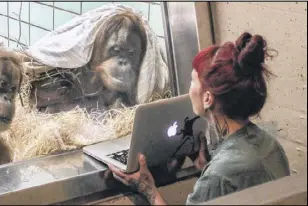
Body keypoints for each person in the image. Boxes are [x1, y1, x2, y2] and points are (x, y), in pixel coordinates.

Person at [107, 32, 291, 205]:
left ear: (208, 98)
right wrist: (206, 166)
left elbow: (225, 177)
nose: (190, 89)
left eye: (192, 81)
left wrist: (148, 189)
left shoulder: (218, 175)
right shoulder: (271, 145)